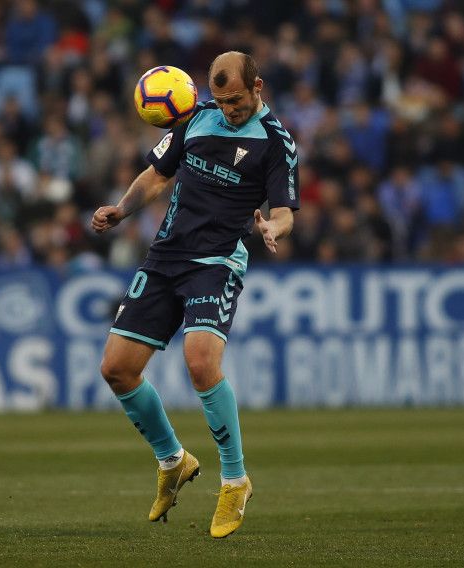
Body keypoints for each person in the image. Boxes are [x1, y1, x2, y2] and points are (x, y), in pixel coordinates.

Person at [91, 51, 299, 538]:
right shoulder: (197, 118)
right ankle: (173, 460)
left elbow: (287, 209)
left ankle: (235, 479)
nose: (230, 110)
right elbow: (158, 175)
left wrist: (274, 227)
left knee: (201, 362)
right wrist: (122, 209)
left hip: (217, 260)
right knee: (117, 370)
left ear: (258, 87)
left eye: (238, 101)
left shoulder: (276, 142)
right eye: (223, 101)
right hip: (166, 256)